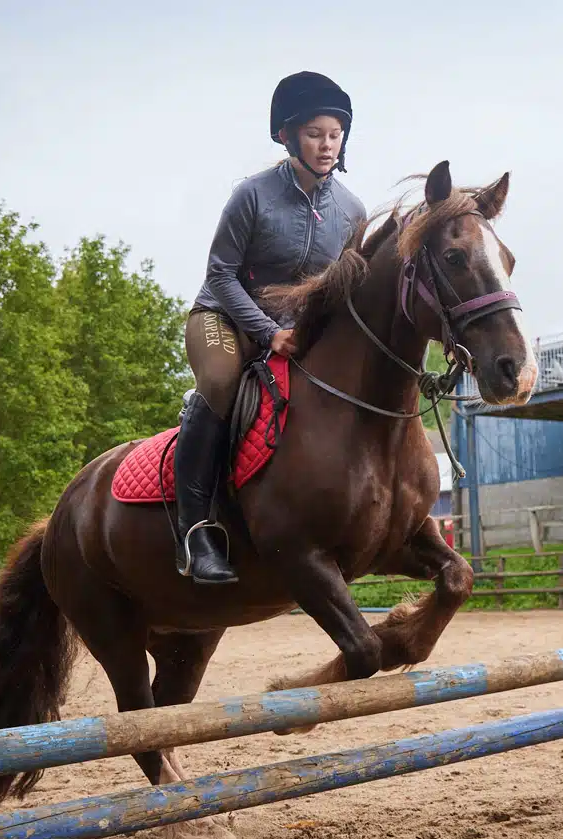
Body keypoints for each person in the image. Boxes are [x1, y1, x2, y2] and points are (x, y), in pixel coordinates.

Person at [176, 71, 369, 584]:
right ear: (287, 136)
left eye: (335, 134)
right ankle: (197, 532)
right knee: (220, 383)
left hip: (297, 328)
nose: (327, 145)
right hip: (223, 315)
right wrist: (267, 333)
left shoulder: (352, 211)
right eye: (314, 134)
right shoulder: (252, 196)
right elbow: (219, 274)